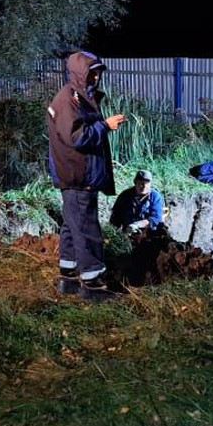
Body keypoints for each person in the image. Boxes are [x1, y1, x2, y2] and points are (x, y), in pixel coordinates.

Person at [47, 51, 126, 294]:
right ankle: (92, 283)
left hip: (76, 175)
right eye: (92, 73)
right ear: (80, 73)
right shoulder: (68, 99)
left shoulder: (76, 97)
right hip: (78, 176)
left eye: (98, 72)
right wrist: (105, 125)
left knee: (72, 224)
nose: (96, 78)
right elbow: (77, 137)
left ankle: (68, 275)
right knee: (86, 227)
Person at [110, 169, 165, 237]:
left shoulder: (155, 197)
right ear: (135, 182)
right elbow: (115, 218)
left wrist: (137, 225)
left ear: (150, 184)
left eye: (147, 183)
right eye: (141, 183)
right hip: (129, 234)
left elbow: (156, 218)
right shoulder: (124, 196)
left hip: (150, 235)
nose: (144, 186)